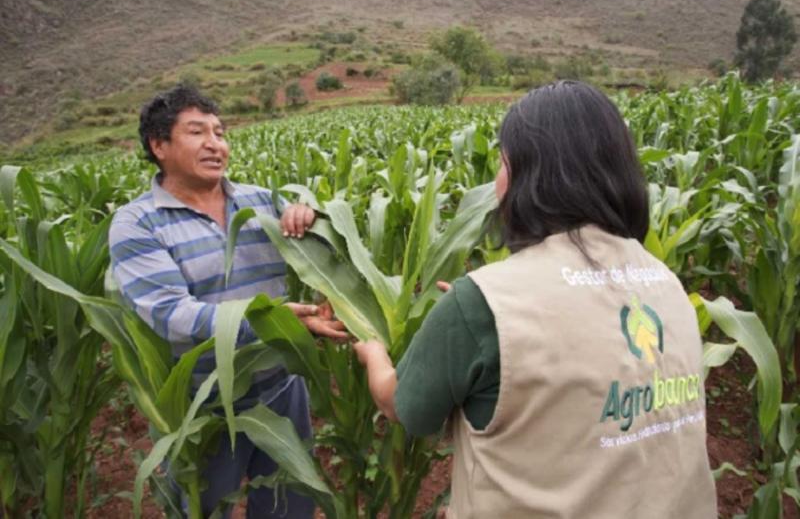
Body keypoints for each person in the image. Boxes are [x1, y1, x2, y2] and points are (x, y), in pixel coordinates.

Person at [354, 81, 717, 518]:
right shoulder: (665, 282)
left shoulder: (483, 305)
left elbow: (402, 406)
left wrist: (374, 352)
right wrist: (480, 321)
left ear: (531, 174)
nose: (495, 180)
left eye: (503, 161)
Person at [109, 84, 346, 518]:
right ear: (159, 145)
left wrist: (311, 213)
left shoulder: (259, 202)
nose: (215, 144)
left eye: (220, 132)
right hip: (204, 404)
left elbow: (327, 251)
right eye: (197, 132)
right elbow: (170, 314)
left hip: (281, 388)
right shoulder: (138, 223)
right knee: (206, 508)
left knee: (287, 506)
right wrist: (270, 322)